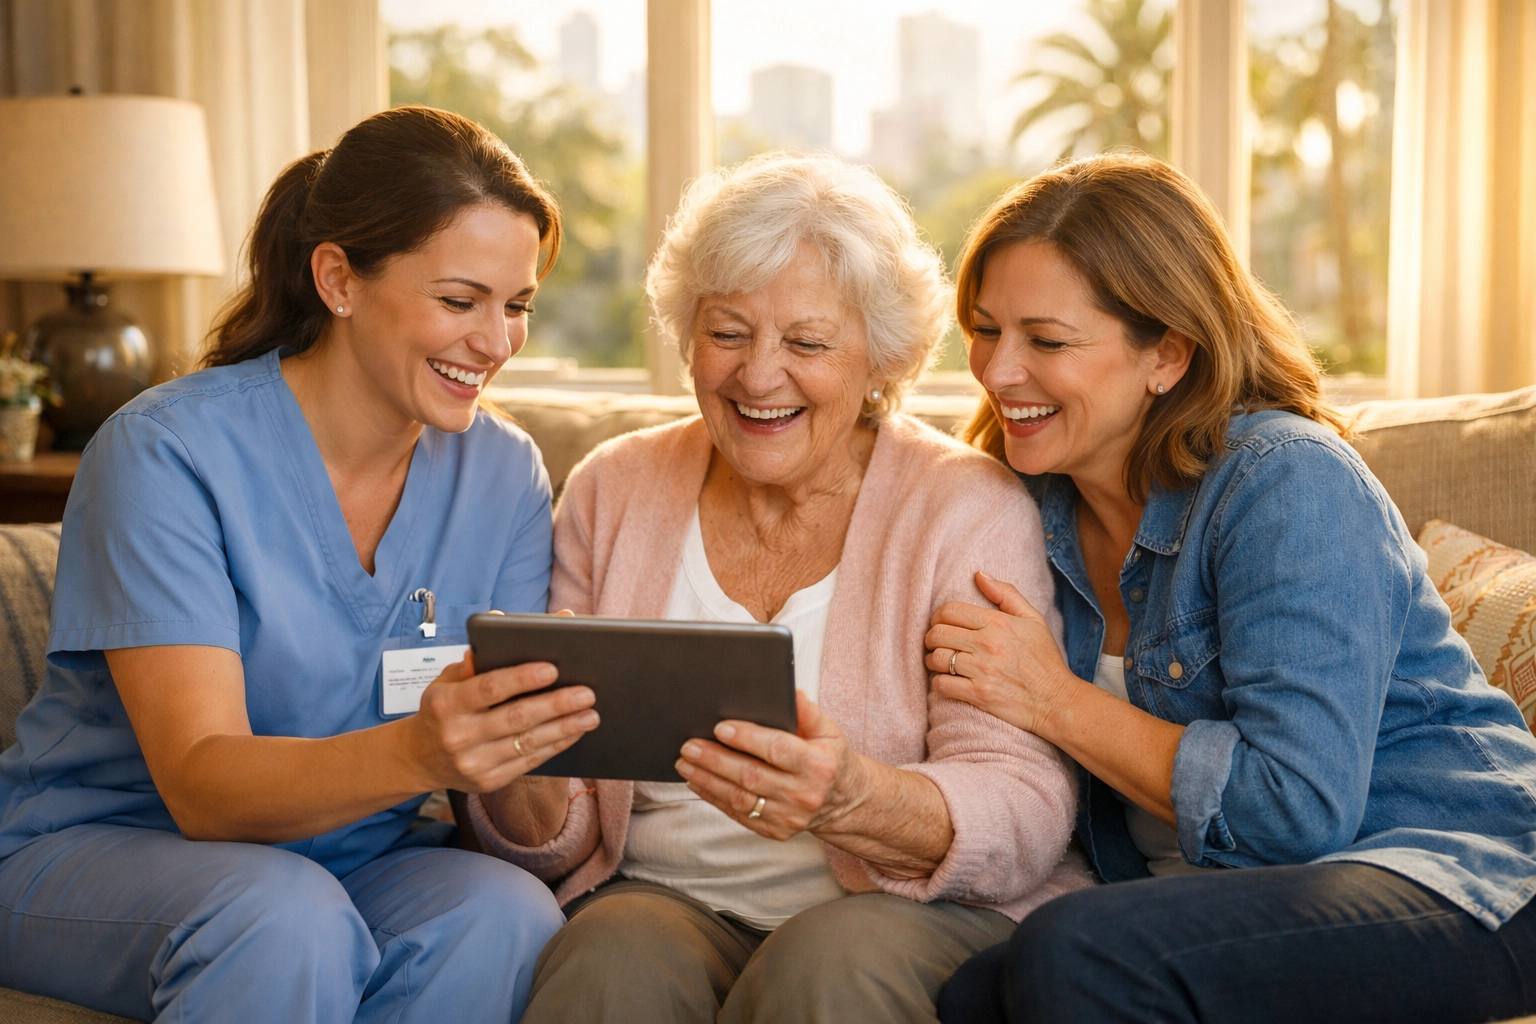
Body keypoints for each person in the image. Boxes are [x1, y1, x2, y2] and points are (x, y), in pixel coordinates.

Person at [0, 106, 602, 1023]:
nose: (497, 343)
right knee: (280, 916)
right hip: (100, 846)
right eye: (458, 300)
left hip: (347, 858)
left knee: (501, 911)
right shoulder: (165, 451)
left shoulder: (504, 471)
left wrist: (533, 734)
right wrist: (417, 750)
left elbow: (514, 813)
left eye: (516, 305)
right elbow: (201, 785)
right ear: (338, 280)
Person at [468, 153, 1093, 1024]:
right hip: (662, 897)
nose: (759, 376)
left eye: (806, 342)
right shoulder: (615, 487)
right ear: (688, 335)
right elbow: (554, 832)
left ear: (882, 359)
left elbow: (1024, 809)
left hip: (895, 914)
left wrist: (853, 797)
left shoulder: (964, 507)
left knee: (827, 965)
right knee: (611, 954)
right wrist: (520, 774)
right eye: (728, 333)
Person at [926, 153, 1536, 1024]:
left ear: (1167, 354)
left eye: (1045, 340)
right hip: (1227, 899)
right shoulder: (1019, 501)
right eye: (985, 330)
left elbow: (1297, 810)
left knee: (1076, 954)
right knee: (978, 990)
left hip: (1457, 871)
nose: (996, 371)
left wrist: (1054, 699)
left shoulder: (1284, 483)